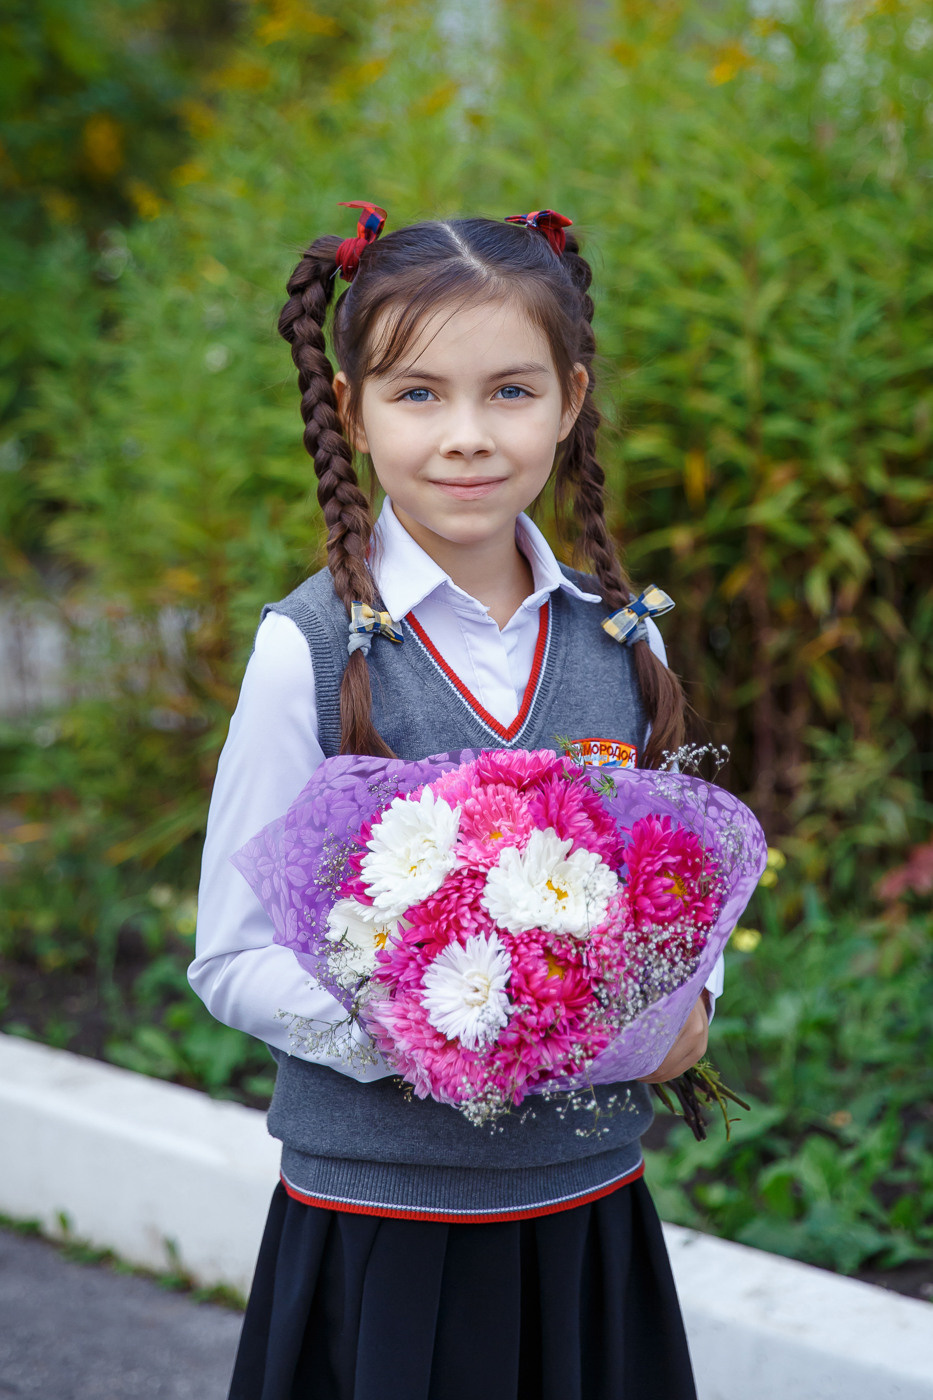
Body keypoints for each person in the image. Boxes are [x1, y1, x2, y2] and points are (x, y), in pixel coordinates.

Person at [190, 204, 722, 1400]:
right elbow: (231, 955)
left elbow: (676, 888)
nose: (469, 436)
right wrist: (435, 1026)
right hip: (383, 1219)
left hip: (585, 1199)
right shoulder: (313, 653)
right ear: (350, 404)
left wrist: (687, 1006)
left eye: (512, 392)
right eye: (420, 393)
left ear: (571, 398)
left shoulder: (620, 640)